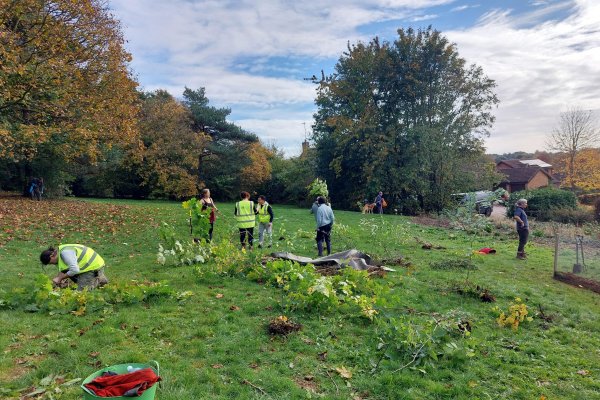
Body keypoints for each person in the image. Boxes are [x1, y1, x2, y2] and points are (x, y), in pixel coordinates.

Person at [40, 244, 109, 290]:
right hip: (90, 265)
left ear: (52, 256)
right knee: (70, 274)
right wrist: (58, 279)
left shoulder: (65, 253)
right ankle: (100, 280)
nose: (53, 264)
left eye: (51, 262)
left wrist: (60, 278)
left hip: (93, 266)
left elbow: (74, 270)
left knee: (80, 294)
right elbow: (65, 270)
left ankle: (97, 278)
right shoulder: (60, 253)